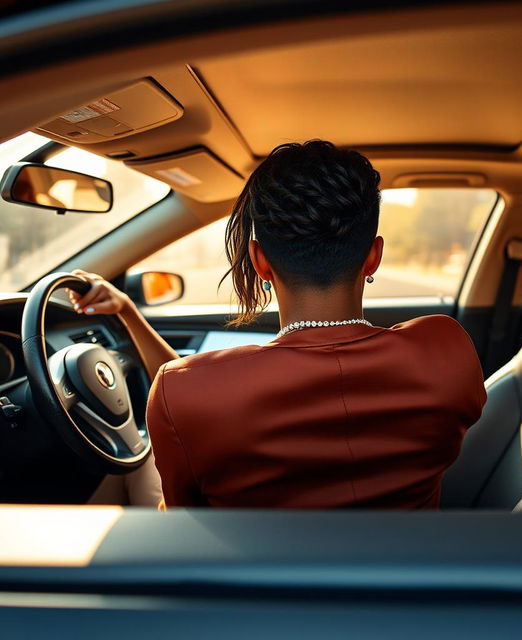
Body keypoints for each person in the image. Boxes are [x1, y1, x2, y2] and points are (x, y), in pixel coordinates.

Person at [69, 140, 486, 509]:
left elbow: (186, 515)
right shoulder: (446, 350)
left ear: (260, 261)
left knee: (134, 466)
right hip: (409, 585)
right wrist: (128, 311)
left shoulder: (183, 392)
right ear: (373, 256)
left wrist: (129, 316)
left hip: (258, 593)